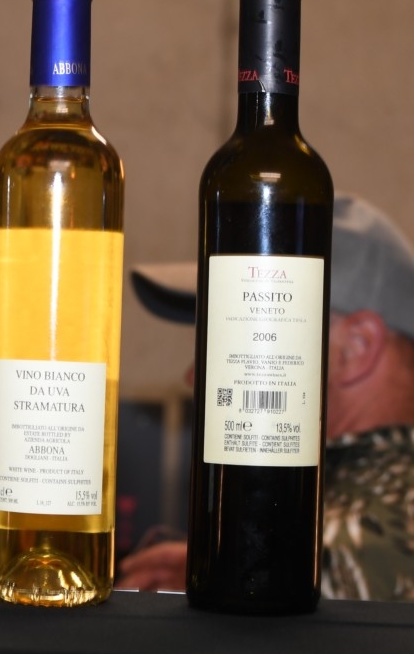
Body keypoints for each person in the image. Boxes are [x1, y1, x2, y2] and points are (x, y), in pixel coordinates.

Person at [119, 194, 414, 602]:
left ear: (356, 349)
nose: (193, 376)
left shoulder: (363, 539)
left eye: (247, 338)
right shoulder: (331, 519)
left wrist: (223, 605)